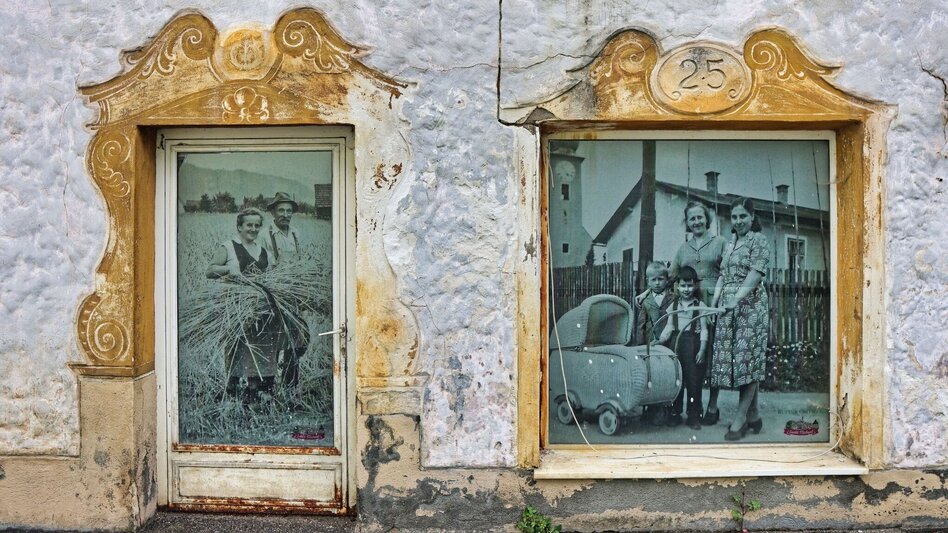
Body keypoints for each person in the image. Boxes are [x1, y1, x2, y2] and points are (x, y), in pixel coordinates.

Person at [206, 207, 282, 405]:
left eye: (257, 225)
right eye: (249, 224)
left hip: (262, 309)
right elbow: (210, 271)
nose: (253, 229)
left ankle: (257, 389)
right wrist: (227, 270)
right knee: (238, 348)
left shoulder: (263, 250)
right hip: (237, 308)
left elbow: (273, 274)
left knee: (262, 348)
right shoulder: (228, 247)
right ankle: (233, 389)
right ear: (239, 226)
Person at [710, 197, 771, 440]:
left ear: (752, 217)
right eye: (734, 217)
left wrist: (736, 298)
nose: (738, 221)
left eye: (743, 216)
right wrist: (715, 302)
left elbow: (755, 275)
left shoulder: (759, 241)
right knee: (737, 362)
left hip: (751, 306)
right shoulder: (730, 243)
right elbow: (723, 276)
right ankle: (753, 415)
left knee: (747, 360)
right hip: (727, 307)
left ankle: (740, 418)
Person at [670, 200, 727, 426]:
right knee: (693, 355)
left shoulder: (720, 242)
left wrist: (717, 303)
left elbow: (728, 272)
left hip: (714, 304)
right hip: (690, 304)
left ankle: (712, 405)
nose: (696, 222)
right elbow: (671, 275)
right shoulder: (683, 248)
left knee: (714, 354)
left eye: (699, 217)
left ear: (707, 220)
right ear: (688, 223)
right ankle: (695, 405)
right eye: (692, 218)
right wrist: (647, 293)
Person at [261, 192, 308, 391]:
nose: (285, 214)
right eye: (281, 210)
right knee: (272, 339)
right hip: (273, 294)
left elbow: (302, 260)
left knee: (297, 339)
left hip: (293, 294)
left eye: (289, 210)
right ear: (273, 211)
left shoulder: (296, 233)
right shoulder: (265, 234)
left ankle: (290, 385)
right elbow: (262, 265)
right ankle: (268, 385)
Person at [657, 266, 709, 430]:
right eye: (683, 286)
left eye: (690, 285)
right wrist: (660, 339)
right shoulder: (673, 306)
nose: (686, 289)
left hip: (693, 347)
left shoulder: (700, 305)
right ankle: (675, 414)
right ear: (677, 287)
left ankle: (693, 416)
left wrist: (702, 349)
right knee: (677, 381)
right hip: (677, 346)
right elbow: (669, 327)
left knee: (693, 383)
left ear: (695, 286)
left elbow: (704, 330)